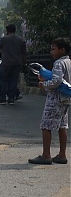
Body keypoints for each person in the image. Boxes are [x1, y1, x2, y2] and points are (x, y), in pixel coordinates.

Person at [28, 37, 71, 165]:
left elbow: (57, 81)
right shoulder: (69, 62)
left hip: (56, 98)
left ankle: (46, 155)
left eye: (53, 49)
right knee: (62, 125)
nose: (51, 52)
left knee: (46, 125)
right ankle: (62, 154)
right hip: (66, 97)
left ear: (62, 50)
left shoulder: (58, 63)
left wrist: (44, 84)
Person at [0, 24, 27, 104]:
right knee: (14, 81)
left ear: (7, 31)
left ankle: (2, 98)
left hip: (6, 62)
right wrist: (24, 63)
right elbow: (24, 53)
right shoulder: (21, 40)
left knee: (3, 80)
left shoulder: (4, 39)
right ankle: (11, 98)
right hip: (17, 63)